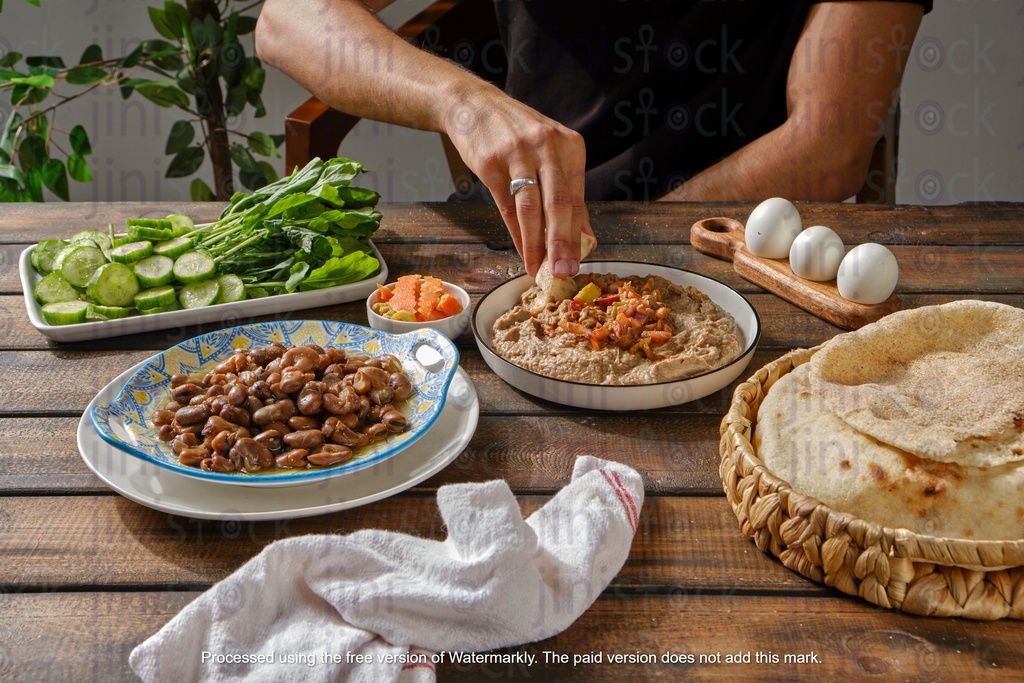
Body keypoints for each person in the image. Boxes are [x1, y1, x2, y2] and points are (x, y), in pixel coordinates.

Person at [255, 0, 928, 279]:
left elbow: (826, 143)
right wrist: (460, 101)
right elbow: (287, 17)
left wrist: (636, 235)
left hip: (742, 261)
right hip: (528, 254)